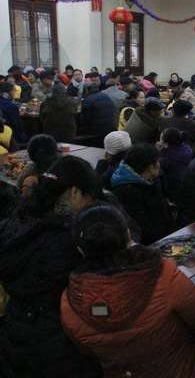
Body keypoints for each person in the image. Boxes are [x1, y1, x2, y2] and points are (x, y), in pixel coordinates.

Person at [60, 205, 195, 378]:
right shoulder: (162, 275)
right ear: (129, 236)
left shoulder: (70, 302)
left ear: (80, 249)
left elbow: (87, 351)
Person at [0, 156, 102, 377]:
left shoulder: (17, 219)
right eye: (90, 198)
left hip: (16, 326)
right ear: (75, 192)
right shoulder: (66, 239)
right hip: (57, 342)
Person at [110, 143, 175, 245]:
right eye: (157, 161)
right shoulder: (127, 191)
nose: (159, 164)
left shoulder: (151, 178)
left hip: (165, 236)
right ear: (150, 167)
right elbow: (142, 227)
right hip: (150, 244)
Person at [158, 128, 193, 200]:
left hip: (175, 188)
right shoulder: (187, 148)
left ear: (166, 143)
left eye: (160, 139)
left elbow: (158, 167)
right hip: (190, 184)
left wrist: (158, 151)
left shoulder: (166, 158)